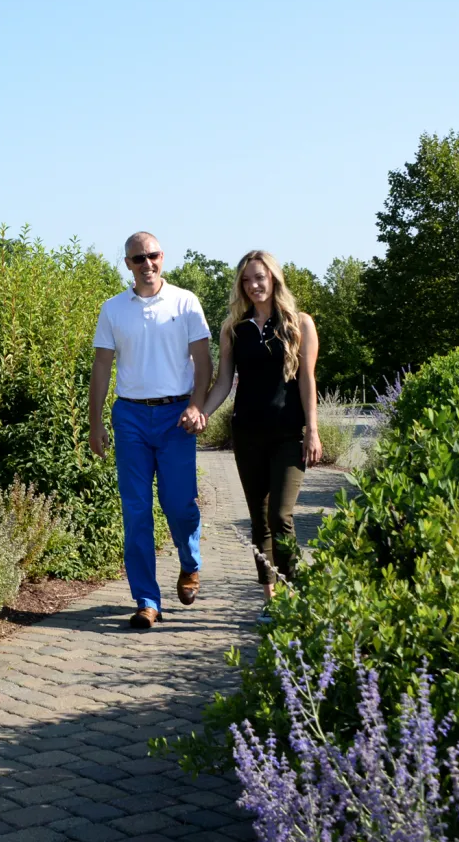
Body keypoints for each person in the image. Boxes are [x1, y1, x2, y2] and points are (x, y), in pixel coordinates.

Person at [88, 231, 212, 629]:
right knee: (136, 511)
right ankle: (146, 599)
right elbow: (102, 368)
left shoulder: (185, 301)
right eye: (138, 259)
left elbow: (204, 362)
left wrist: (196, 405)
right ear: (127, 264)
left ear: (162, 257)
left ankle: (189, 561)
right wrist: (95, 423)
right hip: (130, 419)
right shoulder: (112, 310)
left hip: (176, 416)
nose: (147, 264)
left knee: (178, 504)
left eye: (152, 256)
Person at [201, 250, 320, 600]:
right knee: (259, 519)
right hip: (247, 435)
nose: (254, 285)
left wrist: (312, 430)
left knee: (281, 516)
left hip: (287, 435)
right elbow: (223, 382)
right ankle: (271, 597)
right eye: (247, 280)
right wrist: (203, 412)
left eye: (260, 277)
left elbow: (307, 380)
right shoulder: (234, 329)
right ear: (241, 285)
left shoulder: (300, 324)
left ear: (274, 279)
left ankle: (295, 593)